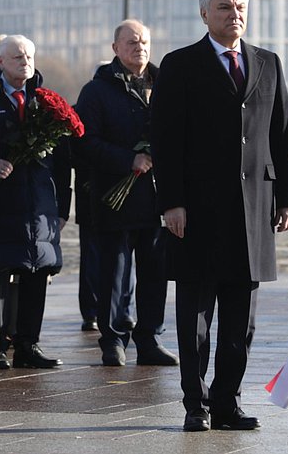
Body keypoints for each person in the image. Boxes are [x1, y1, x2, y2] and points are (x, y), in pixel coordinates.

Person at [151, 0, 288, 432]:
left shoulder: (267, 63)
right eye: (223, 7)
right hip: (195, 213)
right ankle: (195, 405)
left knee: (241, 324)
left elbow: (284, 134)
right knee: (195, 320)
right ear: (204, 15)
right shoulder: (179, 65)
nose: (233, 14)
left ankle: (227, 403)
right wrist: (172, 202)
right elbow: (166, 140)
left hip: (253, 213)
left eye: (239, 7)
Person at [0, 34, 71, 370]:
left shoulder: (44, 102)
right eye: (17, 57)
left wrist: (62, 207)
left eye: (29, 57)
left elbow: (63, 159)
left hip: (37, 203)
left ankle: (28, 344)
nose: (25, 63)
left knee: (37, 272)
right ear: (0, 62)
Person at [74, 20, 178, 368]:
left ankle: (149, 339)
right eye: (131, 42)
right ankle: (113, 339)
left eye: (145, 41)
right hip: (114, 198)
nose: (140, 48)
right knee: (114, 275)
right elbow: (85, 142)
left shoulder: (165, 85)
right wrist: (127, 159)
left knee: (154, 274)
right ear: (115, 48)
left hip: (157, 200)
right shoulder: (96, 91)